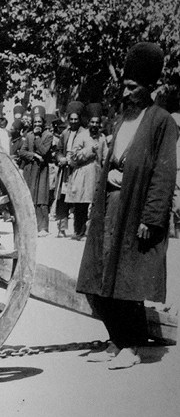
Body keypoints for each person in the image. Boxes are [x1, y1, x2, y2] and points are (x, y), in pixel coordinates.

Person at [77, 42, 177, 369]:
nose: (126, 90)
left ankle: (132, 346)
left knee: (129, 281)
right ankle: (115, 339)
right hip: (111, 205)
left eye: (133, 86)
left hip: (136, 211)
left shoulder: (161, 121)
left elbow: (164, 173)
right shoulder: (123, 118)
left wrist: (151, 217)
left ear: (149, 87)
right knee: (101, 277)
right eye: (125, 84)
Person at [62, 102, 98, 240]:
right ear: (88, 122)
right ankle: (79, 231)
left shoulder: (101, 138)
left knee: (93, 205)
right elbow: (74, 155)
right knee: (81, 204)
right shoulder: (82, 136)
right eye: (92, 122)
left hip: (96, 175)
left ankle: (90, 232)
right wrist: (89, 151)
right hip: (82, 175)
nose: (94, 125)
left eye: (97, 123)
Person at [19, 107, 53, 236]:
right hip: (30, 170)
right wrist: (33, 155)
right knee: (30, 197)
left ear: (43, 123)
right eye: (35, 122)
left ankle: (43, 227)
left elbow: (44, 151)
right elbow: (22, 152)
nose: (37, 124)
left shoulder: (48, 135)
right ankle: (30, 226)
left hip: (42, 170)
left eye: (40, 122)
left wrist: (38, 137)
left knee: (41, 198)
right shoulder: (29, 135)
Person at [53, 101, 84, 237]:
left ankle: (79, 230)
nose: (73, 122)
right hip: (65, 171)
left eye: (75, 119)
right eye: (71, 119)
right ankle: (61, 228)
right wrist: (60, 158)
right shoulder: (65, 133)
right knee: (62, 198)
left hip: (78, 170)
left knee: (78, 199)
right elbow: (58, 150)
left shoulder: (84, 133)